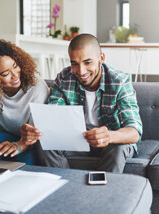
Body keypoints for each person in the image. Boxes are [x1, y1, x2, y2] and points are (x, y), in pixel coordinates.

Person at [20, 34, 142, 172]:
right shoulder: (64, 78)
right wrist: (35, 131)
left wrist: (109, 136)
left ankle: (102, 192)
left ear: (101, 58)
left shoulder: (119, 81)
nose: (81, 71)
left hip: (110, 142)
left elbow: (134, 131)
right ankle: (65, 188)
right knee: (44, 144)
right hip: (77, 141)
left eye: (87, 62)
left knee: (120, 148)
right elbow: (54, 116)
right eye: (74, 64)